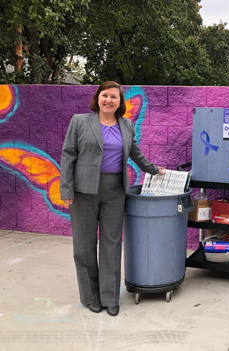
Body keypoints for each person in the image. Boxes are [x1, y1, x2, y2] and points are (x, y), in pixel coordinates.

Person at [60, 81, 165, 316]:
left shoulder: (126, 125)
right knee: (85, 246)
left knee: (112, 244)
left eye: (114, 97)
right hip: (83, 191)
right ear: (98, 98)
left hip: (115, 190)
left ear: (120, 102)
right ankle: (90, 297)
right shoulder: (79, 121)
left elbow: (134, 152)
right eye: (104, 95)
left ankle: (110, 297)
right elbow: (68, 155)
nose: (108, 100)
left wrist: (153, 169)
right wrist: (66, 189)